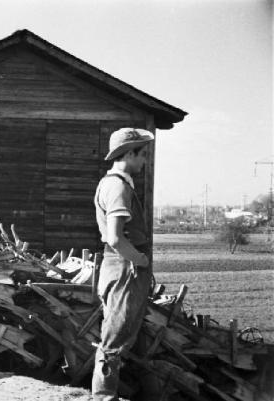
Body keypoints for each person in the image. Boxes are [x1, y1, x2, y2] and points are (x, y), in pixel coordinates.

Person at [92, 128, 154, 400]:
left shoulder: (116, 183)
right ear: (129, 153)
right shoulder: (118, 186)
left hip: (120, 266)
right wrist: (139, 259)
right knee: (115, 337)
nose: (144, 161)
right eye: (142, 155)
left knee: (126, 331)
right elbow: (116, 238)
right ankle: (104, 395)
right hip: (124, 267)